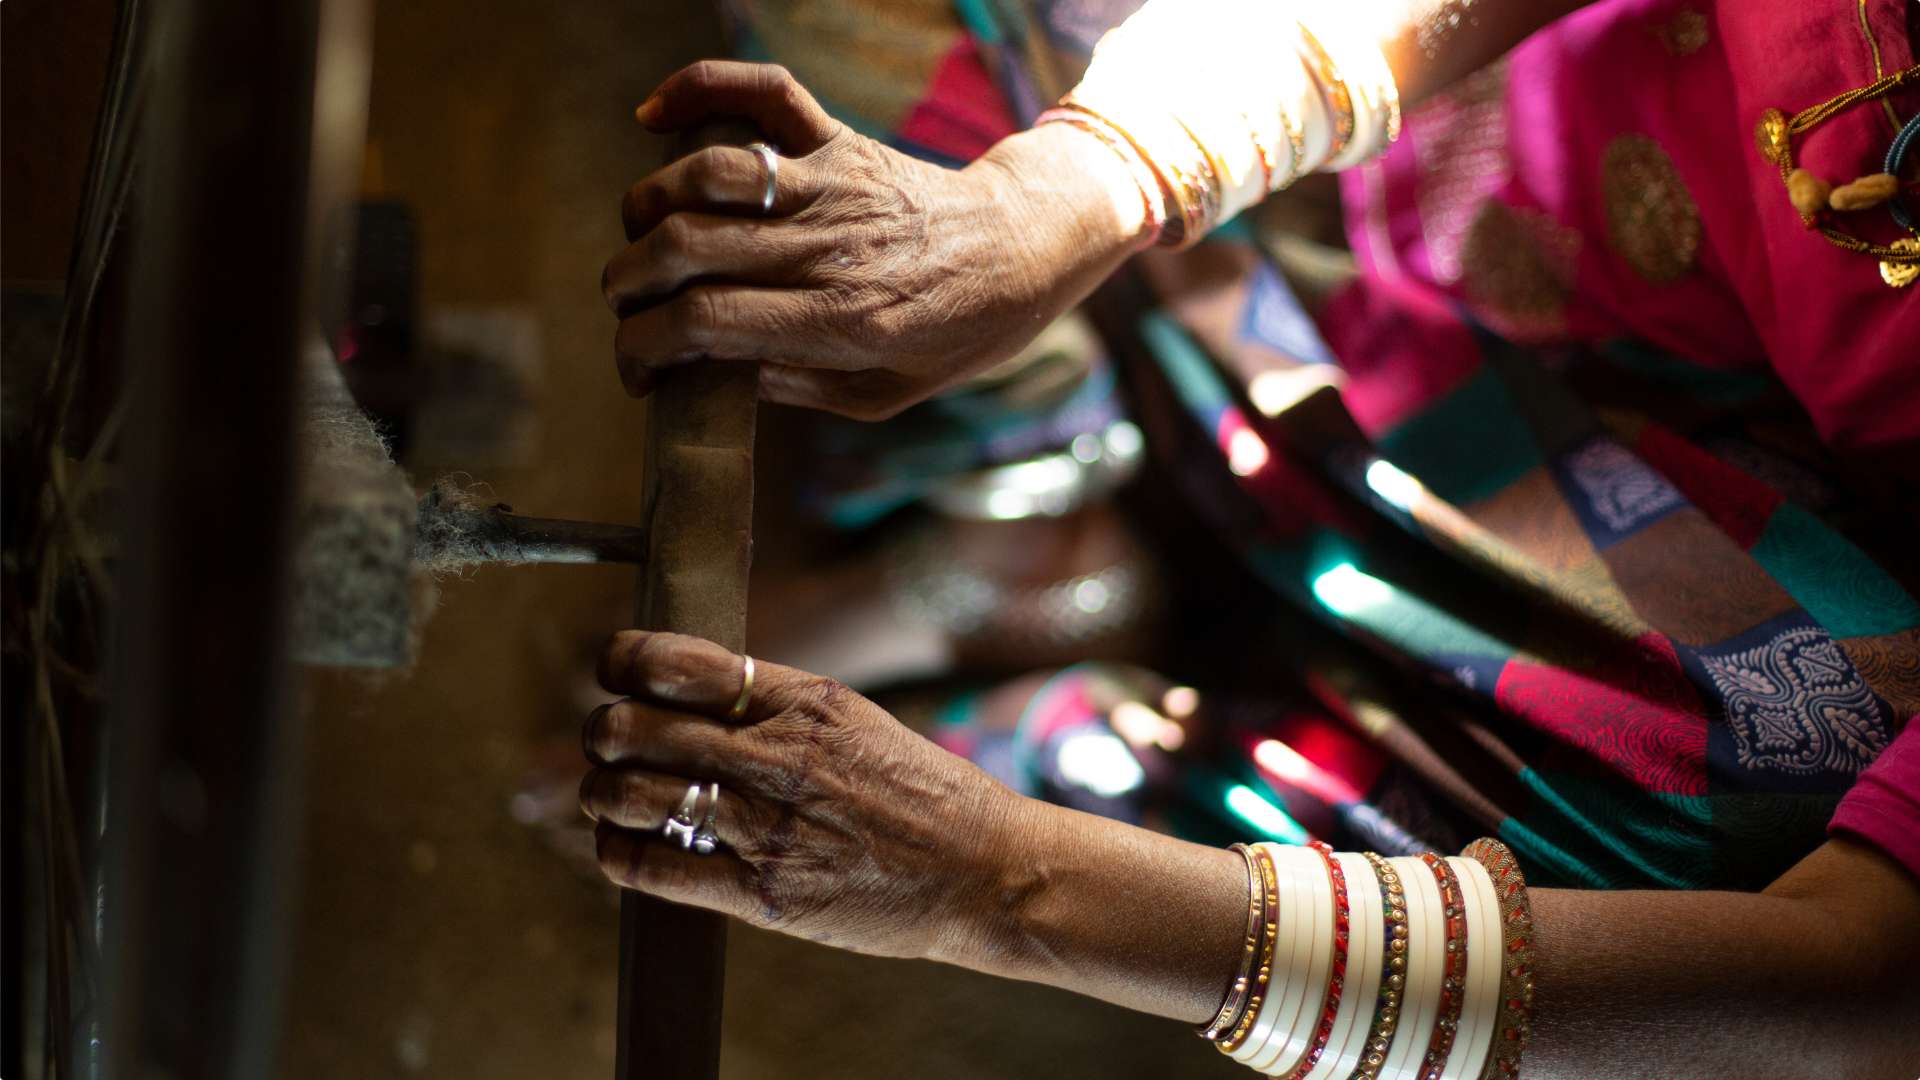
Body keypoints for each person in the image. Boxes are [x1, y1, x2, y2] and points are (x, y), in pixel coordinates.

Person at [585, 0, 1920, 1075]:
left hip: (1684, 573)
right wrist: (1059, 192)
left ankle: (1101, 744)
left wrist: (999, 886)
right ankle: (1033, 511)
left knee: (1757, 816)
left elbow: (1863, 987)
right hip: (1430, 141)